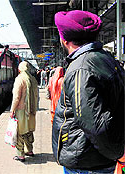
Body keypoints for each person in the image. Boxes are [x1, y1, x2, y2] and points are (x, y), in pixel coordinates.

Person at [52, 10, 124, 174]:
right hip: (98, 159)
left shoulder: (80, 68)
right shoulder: (105, 58)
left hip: (87, 162)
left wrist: (119, 153)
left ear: (65, 40)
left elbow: (95, 124)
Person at [10, 61, 38, 162]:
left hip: (22, 110)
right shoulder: (33, 79)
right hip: (32, 110)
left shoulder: (20, 79)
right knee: (29, 131)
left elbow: (16, 97)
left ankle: (20, 155)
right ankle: (29, 150)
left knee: (20, 132)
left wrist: (12, 109)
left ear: (20, 68)